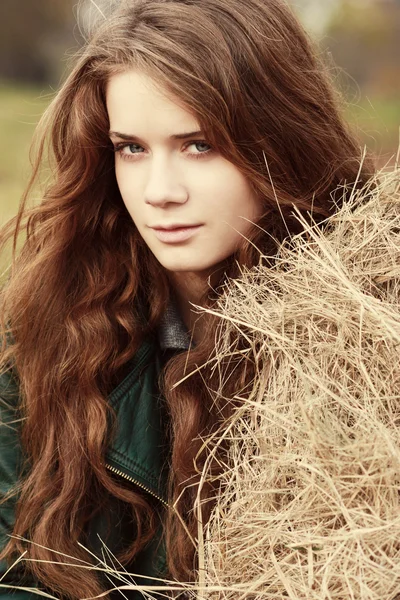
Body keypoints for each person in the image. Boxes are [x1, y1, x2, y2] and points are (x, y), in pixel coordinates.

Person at [0, 0, 375, 599]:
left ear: (276, 143)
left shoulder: (371, 332)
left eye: (198, 145)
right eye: (132, 148)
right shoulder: (48, 333)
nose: (159, 192)